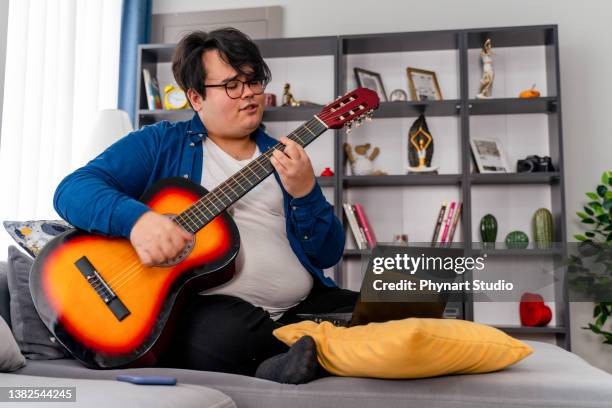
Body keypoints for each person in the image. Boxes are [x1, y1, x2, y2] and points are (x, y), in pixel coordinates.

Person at [53, 27, 358, 384]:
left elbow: (328, 254)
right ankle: (302, 353)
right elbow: (72, 190)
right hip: (215, 311)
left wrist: (306, 193)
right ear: (196, 98)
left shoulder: (286, 158)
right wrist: (139, 222)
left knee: (384, 309)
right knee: (216, 334)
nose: (248, 94)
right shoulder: (160, 143)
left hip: (300, 306)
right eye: (231, 85)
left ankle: (293, 352)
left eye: (253, 80)